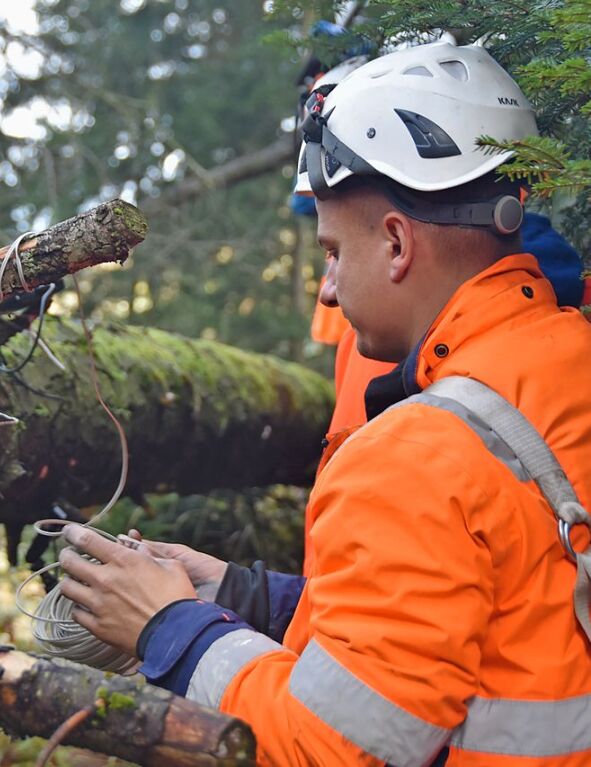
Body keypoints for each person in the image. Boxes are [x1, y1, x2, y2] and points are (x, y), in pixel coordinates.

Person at [59, 41, 591, 766]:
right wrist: (242, 595)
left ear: (397, 244)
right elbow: (494, 613)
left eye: (333, 251)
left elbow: (327, 747)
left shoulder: (411, 459)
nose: (329, 289)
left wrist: (169, 627)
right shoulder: (569, 358)